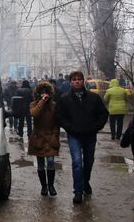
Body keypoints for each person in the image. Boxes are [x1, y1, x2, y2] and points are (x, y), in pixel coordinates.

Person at [56, 70, 109, 204]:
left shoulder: (93, 98)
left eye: (79, 79)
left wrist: (96, 127)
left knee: (89, 161)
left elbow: (103, 114)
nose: (77, 81)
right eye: (74, 80)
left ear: (83, 81)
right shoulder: (65, 98)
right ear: (70, 82)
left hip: (90, 135)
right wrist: (70, 128)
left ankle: (86, 182)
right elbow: (60, 117)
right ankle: (78, 191)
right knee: (77, 162)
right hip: (74, 135)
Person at [29, 81, 60, 196]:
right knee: (41, 163)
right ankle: (44, 186)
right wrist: (42, 102)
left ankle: (51, 186)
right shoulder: (33, 104)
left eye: (46, 92)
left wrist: (55, 134)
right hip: (38, 137)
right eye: (42, 93)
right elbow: (34, 114)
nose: (44, 94)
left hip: (51, 136)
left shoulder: (54, 105)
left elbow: (58, 121)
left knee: (51, 162)